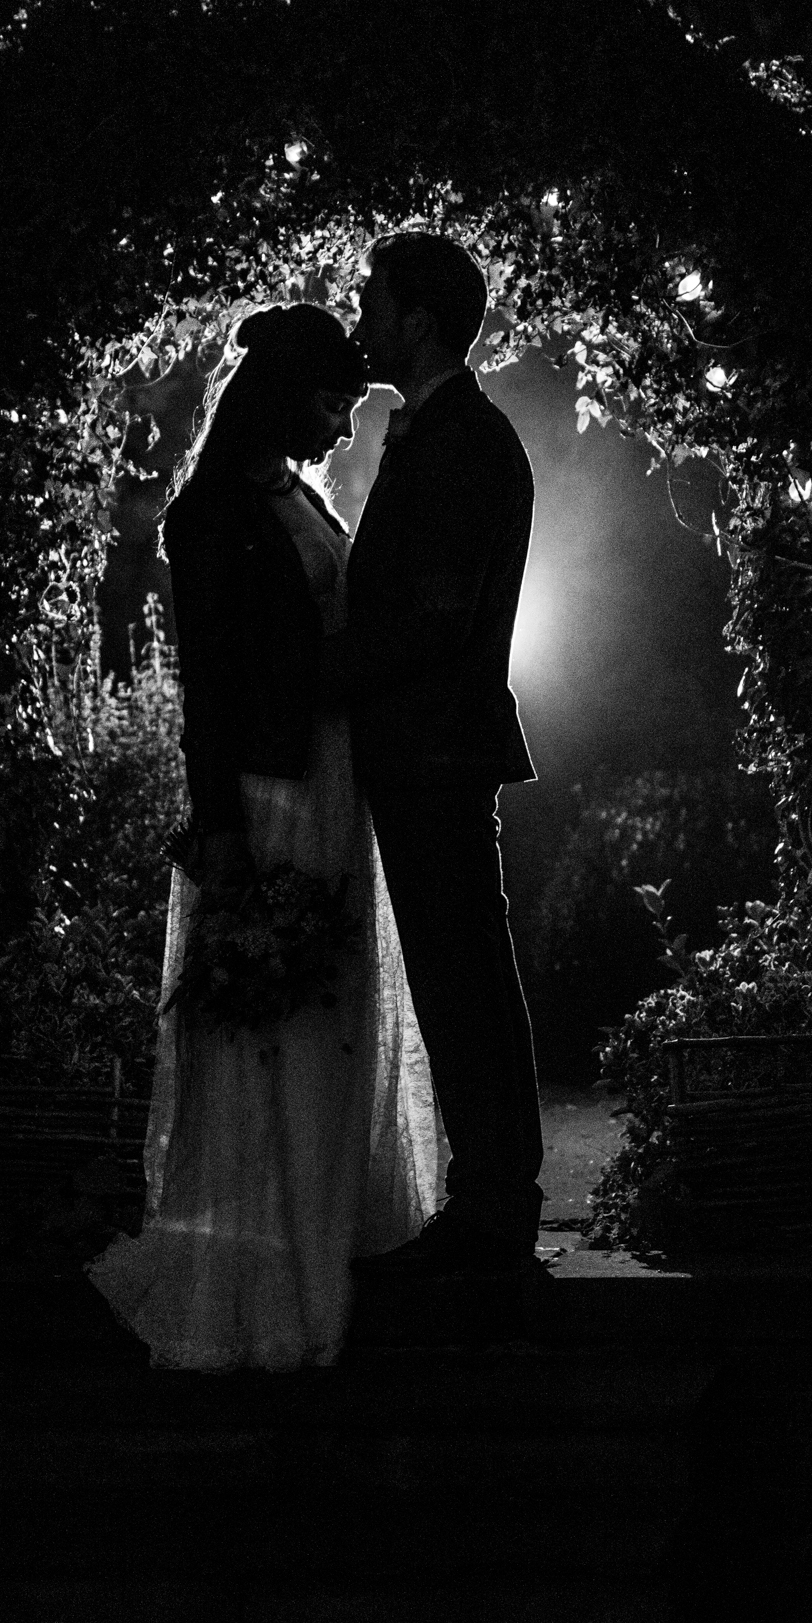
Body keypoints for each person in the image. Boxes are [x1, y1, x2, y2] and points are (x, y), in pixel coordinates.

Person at [87, 304, 438, 1371]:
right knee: (273, 1014)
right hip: (270, 784)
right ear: (283, 396)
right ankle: (265, 1255)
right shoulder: (209, 518)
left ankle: (328, 1220)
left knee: (328, 1003)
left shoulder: (300, 493)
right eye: (332, 403)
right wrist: (221, 824)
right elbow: (210, 686)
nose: (344, 427)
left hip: (331, 774)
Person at [320, 233, 545, 1291]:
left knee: (462, 974)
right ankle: (490, 1198)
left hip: (436, 748)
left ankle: (494, 1206)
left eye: (372, 299)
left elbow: (435, 614)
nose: (359, 315)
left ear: (415, 317)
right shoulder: (441, 431)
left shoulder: (462, 440)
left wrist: (322, 672)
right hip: (423, 746)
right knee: (460, 972)